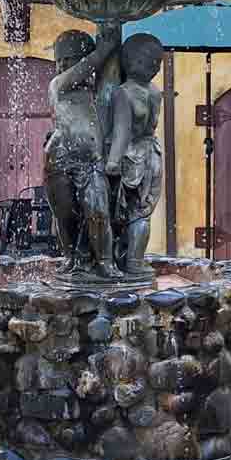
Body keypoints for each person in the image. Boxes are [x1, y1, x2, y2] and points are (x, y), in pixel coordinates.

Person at [44, 27, 120, 277]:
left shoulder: (98, 90)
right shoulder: (58, 84)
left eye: (69, 59)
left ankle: (105, 261)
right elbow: (83, 70)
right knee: (65, 213)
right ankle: (70, 258)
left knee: (97, 211)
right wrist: (105, 50)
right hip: (59, 157)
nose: (62, 65)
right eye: (59, 60)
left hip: (91, 160)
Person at [106, 33, 164, 275]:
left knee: (122, 213)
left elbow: (122, 131)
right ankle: (135, 262)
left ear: (127, 61)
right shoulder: (155, 92)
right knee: (142, 213)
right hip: (152, 153)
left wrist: (112, 161)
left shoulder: (123, 92)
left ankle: (124, 263)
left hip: (131, 157)